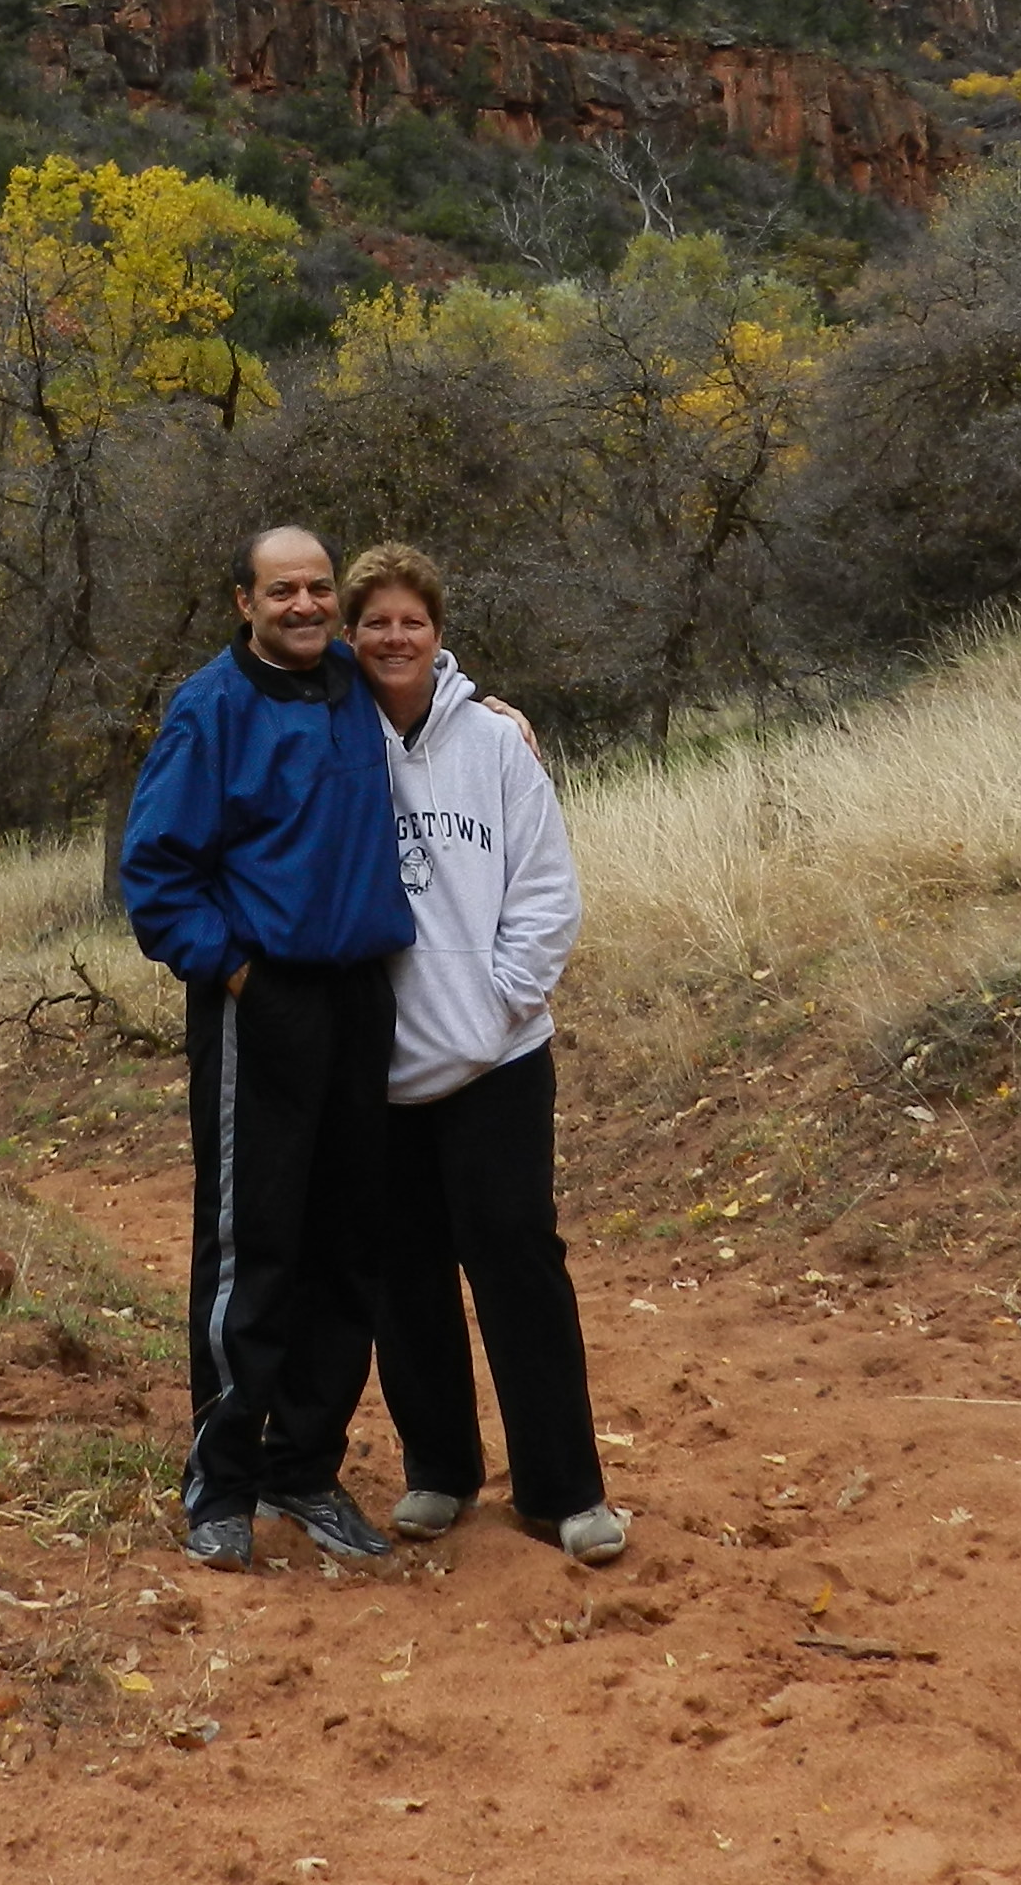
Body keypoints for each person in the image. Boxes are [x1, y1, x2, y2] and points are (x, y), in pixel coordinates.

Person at [115, 523, 415, 1573]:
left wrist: (498, 713)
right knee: (256, 1243)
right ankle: (223, 1479)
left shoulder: (350, 682)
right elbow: (155, 875)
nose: (305, 606)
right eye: (282, 590)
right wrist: (238, 974)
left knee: (348, 1243)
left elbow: (423, 667)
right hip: (262, 999)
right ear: (244, 602)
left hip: (361, 995)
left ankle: (305, 1467)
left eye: (319, 589)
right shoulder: (211, 709)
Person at [340, 540, 626, 1566]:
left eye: (411, 620)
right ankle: (439, 1472)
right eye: (375, 622)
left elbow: (547, 890)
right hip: (377, 1069)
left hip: (498, 1059)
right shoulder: (327, 736)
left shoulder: (497, 742)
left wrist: (500, 1002)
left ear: (438, 630)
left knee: (516, 1259)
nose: (394, 637)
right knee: (403, 1273)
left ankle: (565, 1490)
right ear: (349, 634)